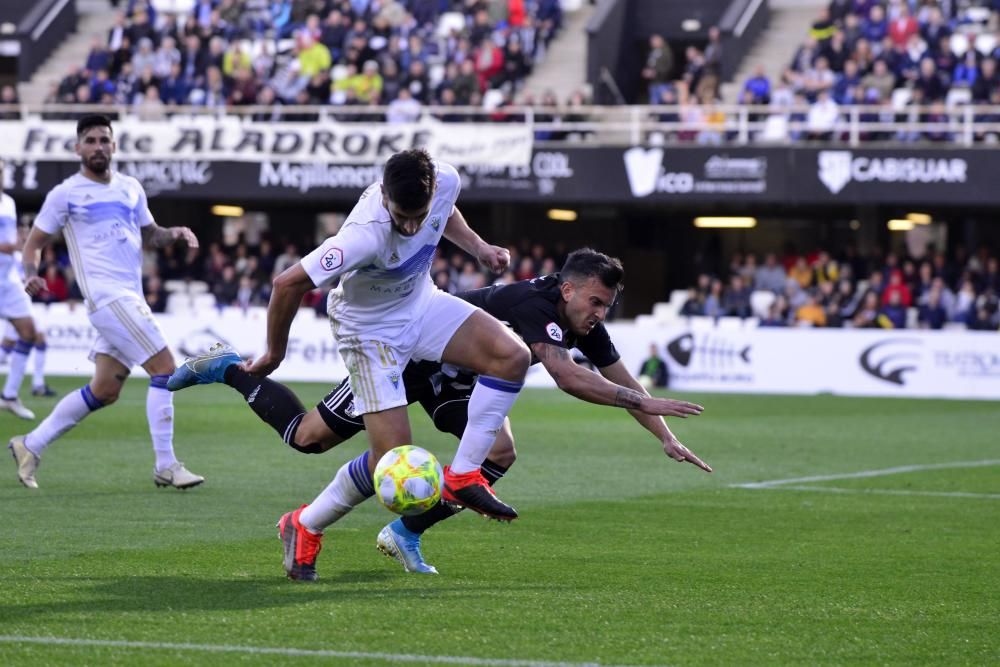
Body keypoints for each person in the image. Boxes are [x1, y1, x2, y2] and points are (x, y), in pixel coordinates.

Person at [170, 249, 710, 578]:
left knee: (500, 451)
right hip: (407, 357)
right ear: (568, 289)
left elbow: (620, 377)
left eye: (606, 307)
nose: (599, 314)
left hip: (458, 381)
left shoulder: (583, 320)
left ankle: (406, 532)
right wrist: (643, 403)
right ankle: (231, 370)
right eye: (594, 302)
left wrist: (661, 435)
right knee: (306, 437)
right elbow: (570, 378)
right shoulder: (535, 306)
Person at [8, 114, 204, 491]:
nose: (98, 146)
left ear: (114, 146)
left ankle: (29, 445)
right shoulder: (66, 194)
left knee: (105, 390)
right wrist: (29, 273)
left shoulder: (130, 188)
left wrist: (176, 232)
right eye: (91, 140)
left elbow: (152, 235)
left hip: (128, 297)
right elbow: (33, 244)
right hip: (107, 297)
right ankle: (166, 465)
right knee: (166, 369)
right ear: (77, 147)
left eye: (104, 140)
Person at [0, 163, 39, 420]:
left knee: (29, 332)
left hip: (7, 280)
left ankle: (9, 395)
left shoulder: (9, 202)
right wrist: (14, 245)